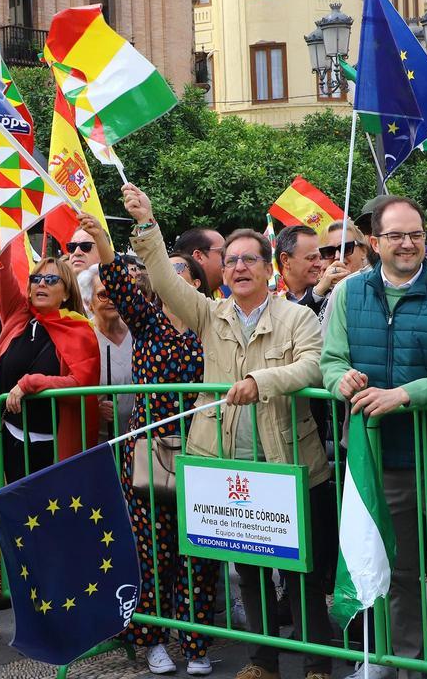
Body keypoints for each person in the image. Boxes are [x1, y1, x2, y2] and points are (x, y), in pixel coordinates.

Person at [122, 184, 333, 679]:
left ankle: (319, 662)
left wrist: (261, 381)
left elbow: (315, 366)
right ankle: (261, 660)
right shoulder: (208, 313)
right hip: (226, 466)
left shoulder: (297, 316)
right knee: (251, 569)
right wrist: (147, 225)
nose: (239, 267)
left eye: (250, 260)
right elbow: (163, 280)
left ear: (269, 267)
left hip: (287, 462)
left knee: (302, 571)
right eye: (232, 260)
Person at [319, 196, 427, 679]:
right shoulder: (348, 293)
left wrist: (401, 396)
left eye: (416, 234)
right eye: (396, 235)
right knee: (398, 576)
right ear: (375, 242)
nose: (408, 243)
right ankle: (407, 666)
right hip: (378, 461)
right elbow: (330, 360)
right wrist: (340, 380)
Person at [79, 213, 218, 676]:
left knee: (199, 549)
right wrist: (101, 239)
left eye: (184, 274)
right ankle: (152, 638)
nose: (174, 282)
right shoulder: (149, 322)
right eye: (167, 275)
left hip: (202, 452)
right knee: (152, 550)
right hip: (150, 454)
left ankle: (196, 645)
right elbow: (117, 281)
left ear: (197, 283)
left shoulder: (212, 326)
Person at [0, 245, 100, 482]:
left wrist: (31, 384)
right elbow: (1, 270)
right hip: (7, 439)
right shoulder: (17, 315)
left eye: (51, 279)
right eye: (36, 278)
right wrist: (4, 234)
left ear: (67, 293)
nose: (41, 284)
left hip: (53, 447)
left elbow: (80, 385)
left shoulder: (80, 331)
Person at [85, 264, 135, 440]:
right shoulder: (83, 337)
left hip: (138, 439)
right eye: (103, 295)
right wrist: (95, 407)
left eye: (115, 293)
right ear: (89, 303)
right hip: (101, 443)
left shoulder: (138, 331)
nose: (112, 299)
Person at [274, 225, 325, 313]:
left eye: (320, 257)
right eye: (311, 258)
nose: (320, 264)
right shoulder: (263, 296)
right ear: (285, 260)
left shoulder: (328, 293)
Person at [172, 227, 227, 295]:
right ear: (199, 256)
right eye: (224, 252)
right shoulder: (173, 298)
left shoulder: (222, 297)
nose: (229, 258)